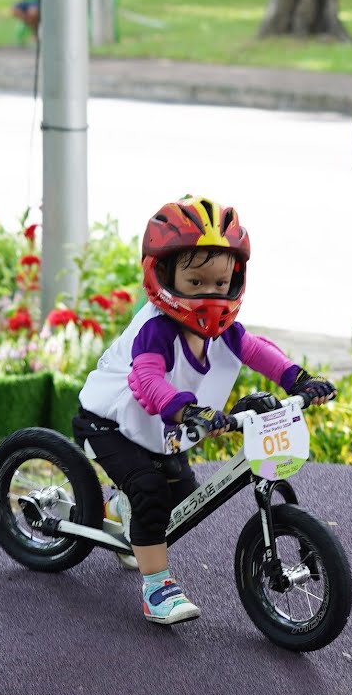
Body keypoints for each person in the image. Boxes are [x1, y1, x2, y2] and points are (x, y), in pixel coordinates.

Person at [73, 195, 335, 626]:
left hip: (159, 430)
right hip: (111, 424)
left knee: (182, 493)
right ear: (162, 276)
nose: (210, 294)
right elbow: (146, 379)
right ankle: (156, 588)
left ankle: (120, 510)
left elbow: (258, 352)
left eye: (219, 282)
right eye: (195, 283)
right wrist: (185, 408)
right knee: (150, 493)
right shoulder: (156, 330)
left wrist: (298, 379)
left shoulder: (224, 331)